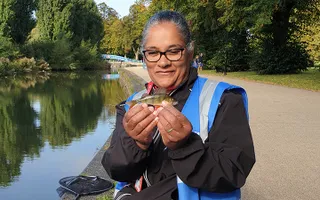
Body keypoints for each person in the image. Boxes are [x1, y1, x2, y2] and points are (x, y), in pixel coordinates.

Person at [101, 10, 255, 200]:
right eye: (153, 53)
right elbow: (117, 171)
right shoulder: (130, 105)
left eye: (174, 51)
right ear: (144, 56)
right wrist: (137, 144)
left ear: (190, 52)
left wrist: (186, 146)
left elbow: (234, 173)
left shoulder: (224, 99)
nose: (163, 62)